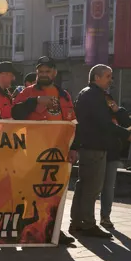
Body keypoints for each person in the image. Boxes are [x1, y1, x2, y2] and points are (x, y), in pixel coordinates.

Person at [12, 57, 77, 246]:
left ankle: (53, 229)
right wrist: (36, 101)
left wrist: (73, 147)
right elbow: (14, 114)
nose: (44, 74)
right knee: (29, 192)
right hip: (32, 152)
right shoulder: (27, 93)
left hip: (57, 153)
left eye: (48, 71)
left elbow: (72, 123)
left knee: (55, 193)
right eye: (40, 71)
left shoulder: (64, 95)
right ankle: (28, 229)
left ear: (54, 73)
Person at [70, 64, 131, 239]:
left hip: (91, 146)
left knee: (84, 186)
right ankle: (87, 223)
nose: (111, 80)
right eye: (108, 76)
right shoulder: (93, 95)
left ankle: (77, 222)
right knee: (92, 187)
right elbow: (103, 124)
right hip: (94, 147)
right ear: (97, 77)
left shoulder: (91, 94)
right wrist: (127, 135)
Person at [99, 93, 131, 231]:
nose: (108, 104)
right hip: (96, 151)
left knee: (108, 187)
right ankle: (87, 217)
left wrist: (118, 112)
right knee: (93, 187)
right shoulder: (96, 113)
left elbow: (129, 127)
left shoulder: (118, 112)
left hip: (112, 154)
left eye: (109, 101)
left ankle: (105, 216)